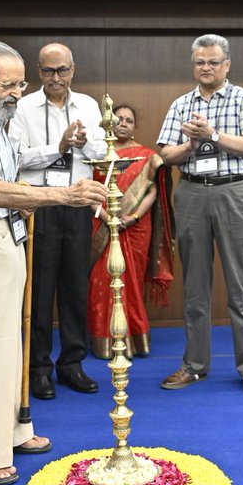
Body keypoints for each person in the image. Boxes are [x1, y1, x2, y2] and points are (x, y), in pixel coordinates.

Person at [0, 41, 108, 485]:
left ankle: (10, 431)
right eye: (8, 85)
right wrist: (62, 195)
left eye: (20, 84)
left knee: (9, 344)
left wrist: (53, 158)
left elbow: (15, 166)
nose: (16, 94)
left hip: (6, 236)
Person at [157, 33, 243, 397]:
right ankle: (194, 365)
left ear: (227, 65)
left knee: (241, 285)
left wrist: (212, 135)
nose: (206, 68)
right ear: (194, 65)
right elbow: (165, 156)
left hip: (234, 191)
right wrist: (191, 145)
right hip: (190, 192)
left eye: (213, 62)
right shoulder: (180, 104)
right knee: (195, 287)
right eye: (200, 62)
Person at [9, 43, 107, 399]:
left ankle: (72, 364)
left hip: (78, 203)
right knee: (39, 288)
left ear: (73, 70)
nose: (56, 78)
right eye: (49, 71)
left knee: (74, 288)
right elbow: (17, 158)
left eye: (62, 71)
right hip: (40, 206)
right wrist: (60, 147)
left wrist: (82, 144)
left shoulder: (89, 106)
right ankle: (38, 368)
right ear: (38, 72)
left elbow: (101, 152)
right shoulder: (22, 107)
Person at [87, 104, 175, 359]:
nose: (123, 123)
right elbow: (89, 192)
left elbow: (153, 193)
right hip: (101, 226)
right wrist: (107, 218)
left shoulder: (147, 157)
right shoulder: (97, 154)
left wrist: (132, 217)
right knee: (100, 282)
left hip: (136, 228)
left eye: (129, 120)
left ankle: (134, 339)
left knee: (130, 282)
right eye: (118, 119)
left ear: (135, 126)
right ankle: (104, 339)